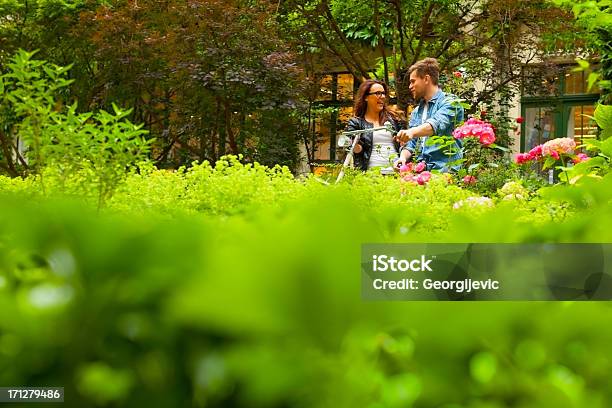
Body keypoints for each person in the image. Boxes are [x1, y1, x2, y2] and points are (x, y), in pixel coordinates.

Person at [395, 58, 464, 172]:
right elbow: (412, 144)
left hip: (445, 172)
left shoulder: (451, 102)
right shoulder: (417, 111)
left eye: (413, 81)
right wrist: (402, 158)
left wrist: (411, 132)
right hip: (421, 173)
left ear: (426, 79)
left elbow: (435, 125)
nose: (410, 86)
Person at [345, 79, 405, 173]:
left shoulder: (394, 119)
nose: (382, 97)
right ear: (366, 97)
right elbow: (358, 150)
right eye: (378, 93)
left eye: (384, 93)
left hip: (396, 173)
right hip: (370, 174)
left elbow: (406, 144)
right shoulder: (356, 122)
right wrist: (353, 145)